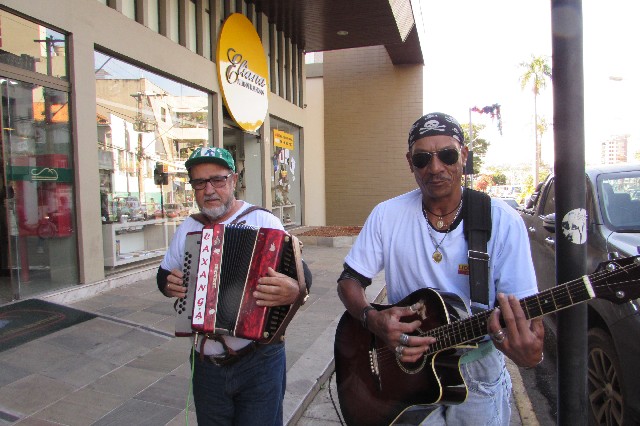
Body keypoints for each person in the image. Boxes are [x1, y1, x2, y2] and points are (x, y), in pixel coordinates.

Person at [336, 112, 544, 425]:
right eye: (422, 159)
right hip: (405, 365)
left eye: (447, 155)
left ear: (463, 156)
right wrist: (373, 319)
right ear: (410, 162)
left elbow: (525, 315)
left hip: (477, 374)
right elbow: (349, 281)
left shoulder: (502, 221)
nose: (435, 168)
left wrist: (530, 354)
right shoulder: (387, 215)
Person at [157, 146, 310, 426]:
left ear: (234, 180)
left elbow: (302, 277)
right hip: (206, 365)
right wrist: (169, 284)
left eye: (218, 179)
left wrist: (295, 290)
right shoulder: (188, 228)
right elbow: (164, 275)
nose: (209, 190)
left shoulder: (263, 220)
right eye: (200, 182)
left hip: (259, 361)